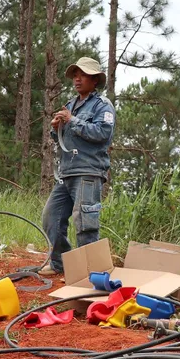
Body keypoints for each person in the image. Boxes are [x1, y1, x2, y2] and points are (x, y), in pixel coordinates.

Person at [39, 57, 116, 276]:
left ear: (94, 80)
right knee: (51, 217)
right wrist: (56, 128)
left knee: (85, 222)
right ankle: (60, 264)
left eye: (82, 75)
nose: (77, 79)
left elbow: (102, 134)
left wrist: (72, 121)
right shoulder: (71, 104)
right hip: (67, 173)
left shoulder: (102, 105)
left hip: (89, 172)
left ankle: (88, 273)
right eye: (75, 75)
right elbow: (62, 138)